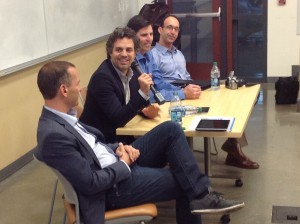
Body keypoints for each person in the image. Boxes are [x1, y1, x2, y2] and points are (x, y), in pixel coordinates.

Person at [35, 60, 244, 224]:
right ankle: (201, 195)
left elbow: (92, 145)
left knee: (171, 129)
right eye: (77, 84)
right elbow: (91, 183)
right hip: (113, 187)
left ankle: (201, 195)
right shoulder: (54, 135)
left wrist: (117, 147)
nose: (80, 89)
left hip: (116, 160)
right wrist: (123, 163)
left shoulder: (62, 117)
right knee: (184, 181)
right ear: (63, 90)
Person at [152, 15, 259, 169]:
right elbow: (158, 89)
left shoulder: (178, 53)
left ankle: (232, 145)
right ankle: (234, 151)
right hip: (174, 102)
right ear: (160, 30)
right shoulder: (153, 56)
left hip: (188, 93)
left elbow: (186, 78)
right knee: (217, 109)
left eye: (176, 29)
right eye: (169, 27)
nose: (173, 32)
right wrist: (183, 92)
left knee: (231, 104)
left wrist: (196, 87)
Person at [80, 27, 160, 144]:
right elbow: (119, 118)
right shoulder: (102, 78)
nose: (124, 54)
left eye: (129, 50)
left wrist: (146, 110)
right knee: (169, 134)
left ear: (135, 52)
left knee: (168, 134)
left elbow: (134, 104)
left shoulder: (132, 70)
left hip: (125, 138)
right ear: (110, 52)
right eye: (118, 50)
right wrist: (143, 93)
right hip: (105, 144)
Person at [127, 15, 201, 102]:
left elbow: (160, 83)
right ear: (132, 38)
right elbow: (149, 96)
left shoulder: (149, 55)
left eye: (151, 34)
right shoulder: (130, 61)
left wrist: (182, 91)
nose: (149, 39)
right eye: (144, 35)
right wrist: (182, 93)